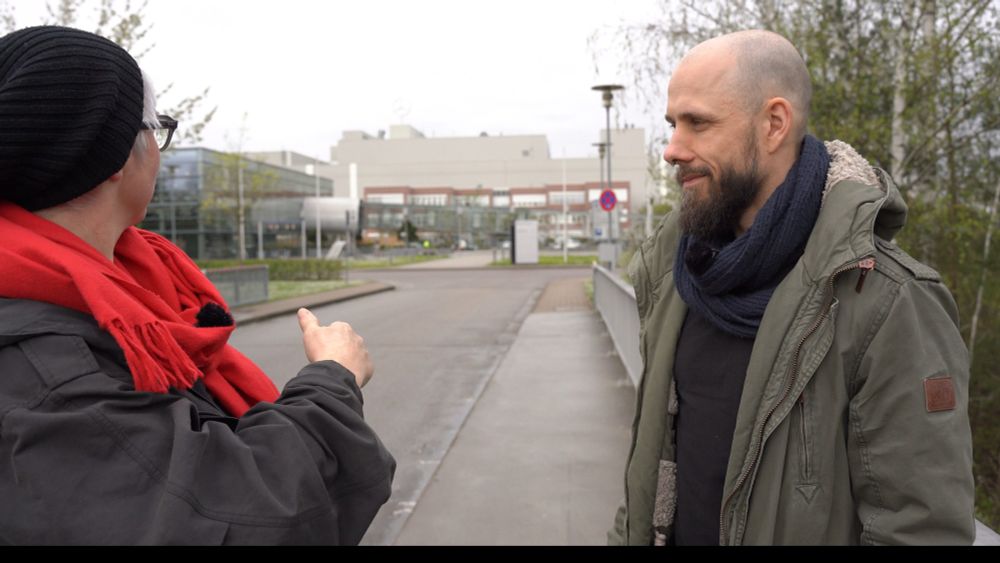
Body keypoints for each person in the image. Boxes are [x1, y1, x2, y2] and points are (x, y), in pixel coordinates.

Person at [0, 26, 394, 544]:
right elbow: (243, 517)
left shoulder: (105, 299)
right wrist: (333, 378)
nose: (158, 148)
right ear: (118, 155)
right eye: (154, 127)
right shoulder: (52, 369)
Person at [608, 30, 974, 545]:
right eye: (672, 125)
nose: (672, 150)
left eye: (698, 123)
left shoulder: (887, 299)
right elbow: (646, 482)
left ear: (773, 124)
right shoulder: (674, 279)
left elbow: (920, 529)